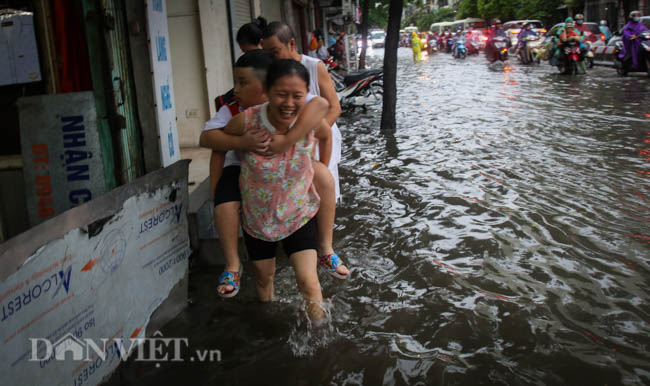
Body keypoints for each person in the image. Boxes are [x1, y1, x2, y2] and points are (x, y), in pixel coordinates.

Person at [200, 50, 335, 298]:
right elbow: (209, 139)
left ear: (266, 88)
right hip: (241, 167)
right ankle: (232, 264)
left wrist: (293, 145)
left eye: (243, 82)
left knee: (325, 177)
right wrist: (242, 143)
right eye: (236, 82)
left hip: (289, 172)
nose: (236, 90)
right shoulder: (236, 111)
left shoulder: (298, 107)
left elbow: (322, 108)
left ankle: (326, 247)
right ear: (270, 91)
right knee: (225, 203)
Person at [261, 22, 349, 280]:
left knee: (322, 186)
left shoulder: (314, 66)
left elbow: (333, 107)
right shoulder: (269, 73)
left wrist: (307, 136)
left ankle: (325, 248)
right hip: (286, 144)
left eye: (275, 51)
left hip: (319, 139)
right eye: (267, 52)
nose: (271, 58)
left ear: (291, 45)